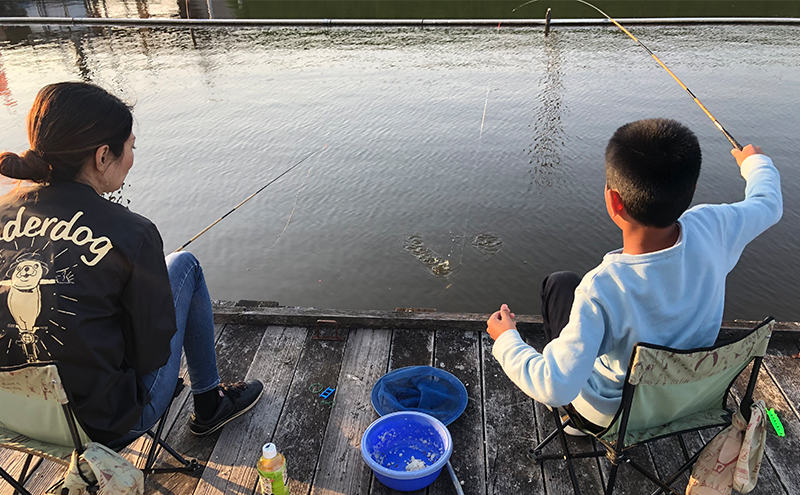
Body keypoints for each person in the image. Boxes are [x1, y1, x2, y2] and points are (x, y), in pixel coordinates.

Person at [0, 81, 263, 446]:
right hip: (102, 426)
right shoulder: (132, 233)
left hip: (10, 417)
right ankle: (209, 404)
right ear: (102, 155)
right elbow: (151, 355)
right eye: (131, 147)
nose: (131, 157)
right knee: (184, 265)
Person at [486, 118, 782, 432]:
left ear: (613, 200)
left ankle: (573, 423)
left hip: (614, 418)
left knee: (560, 284)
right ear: (692, 190)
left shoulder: (603, 288)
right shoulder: (715, 227)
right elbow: (768, 204)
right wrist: (755, 162)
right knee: (566, 285)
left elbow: (555, 386)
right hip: (688, 402)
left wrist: (506, 340)